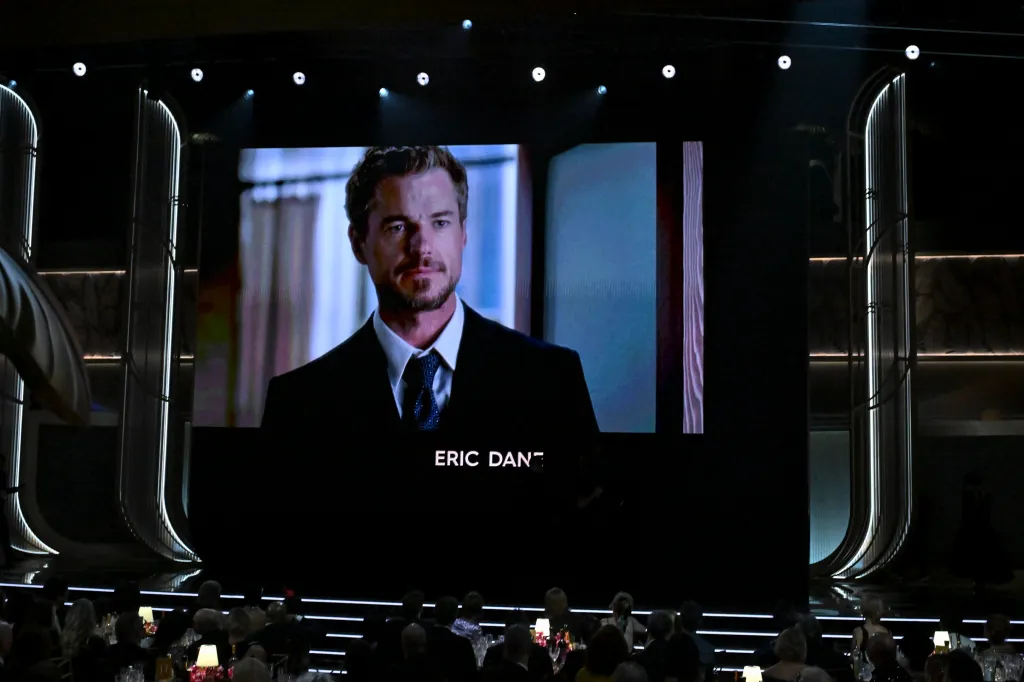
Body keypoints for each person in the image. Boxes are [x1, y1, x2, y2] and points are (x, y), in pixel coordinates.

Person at [260, 145, 598, 437]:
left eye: (440, 223)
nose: (422, 247)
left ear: (463, 233)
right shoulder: (298, 401)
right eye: (397, 227)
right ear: (358, 243)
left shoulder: (552, 378)